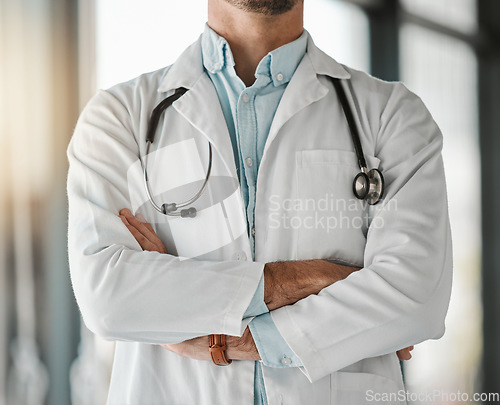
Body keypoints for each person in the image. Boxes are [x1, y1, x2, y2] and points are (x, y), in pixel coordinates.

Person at [67, 0, 453, 404]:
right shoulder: (119, 118)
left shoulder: (393, 116)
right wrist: (313, 278)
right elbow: (109, 296)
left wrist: (227, 341)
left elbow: (416, 297)